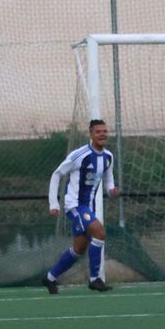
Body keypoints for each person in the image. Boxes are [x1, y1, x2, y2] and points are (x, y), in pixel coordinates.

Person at [44, 119, 120, 293]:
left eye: (105, 131)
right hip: (75, 206)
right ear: (91, 134)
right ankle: (95, 279)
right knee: (100, 232)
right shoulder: (80, 155)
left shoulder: (108, 157)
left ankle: (50, 278)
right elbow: (57, 174)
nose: (102, 134)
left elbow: (109, 181)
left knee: (79, 248)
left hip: (89, 207)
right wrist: (53, 203)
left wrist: (112, 191)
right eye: (98, 132)